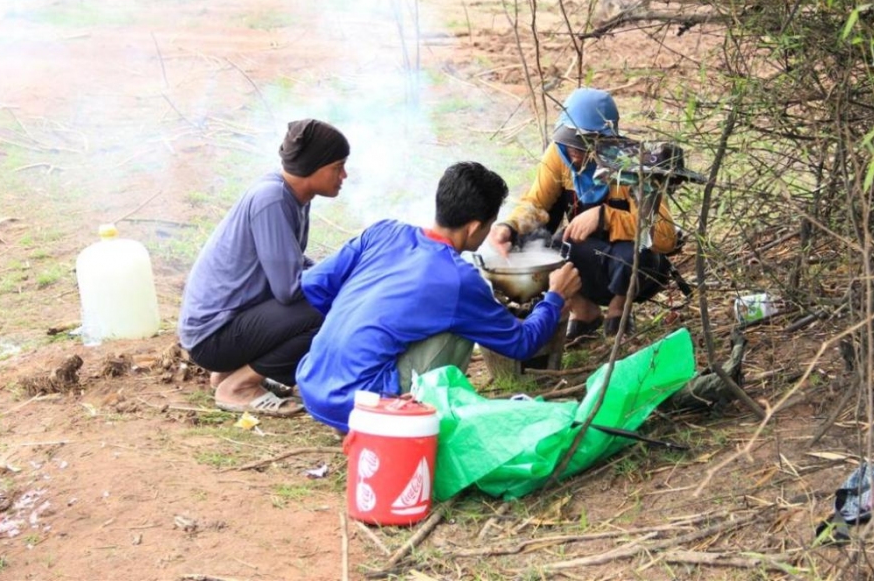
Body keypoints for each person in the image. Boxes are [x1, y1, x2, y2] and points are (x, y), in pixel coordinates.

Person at [295, 161, 582, 433]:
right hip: (364, 405)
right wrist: (554, 297)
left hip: (313, 382)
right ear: (473, 227)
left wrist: (350, 322)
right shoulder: (459, 279)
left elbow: (315, 284)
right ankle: (416, 421)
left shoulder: (383, 231)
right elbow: (522, 344)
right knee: (457, 326)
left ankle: (352, 417)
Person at [178, 119, 350, 417]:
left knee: (329, 296)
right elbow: (289, 289)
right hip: (213, 336)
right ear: (315, 166)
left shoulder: (294, 196)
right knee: (327, 307)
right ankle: (238, 387)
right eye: (338, 166)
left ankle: (230, 372)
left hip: (226, 324)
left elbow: (291, 263)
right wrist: (343, 278)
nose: (344, 175)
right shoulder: (271, 198)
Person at [487, 87, 680, 341]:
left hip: (628, 264)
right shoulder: (559, 154)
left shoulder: (632, 164)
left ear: (608, 140)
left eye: (585, 145)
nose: (575, 152)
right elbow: (535, 204)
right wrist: (509, 227)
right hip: (588, 257)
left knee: (636, 255)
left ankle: (619, 309)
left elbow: (666, 236)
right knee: (530, 243)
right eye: (570, 142)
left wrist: (605, 216)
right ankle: (584, 311)